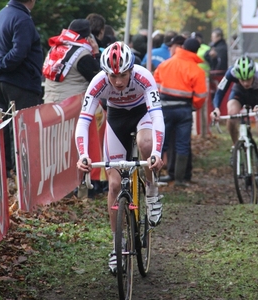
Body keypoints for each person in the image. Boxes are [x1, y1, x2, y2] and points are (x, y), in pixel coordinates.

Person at [75, 41, 165, 272]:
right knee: (114, 184)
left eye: (122, 75)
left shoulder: (144, 77)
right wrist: (83, 155)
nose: (117, 81)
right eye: (112, 76)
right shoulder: (97, 83)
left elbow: (157, 117)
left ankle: (153, 193)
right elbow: (83, 120)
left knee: (145, 143)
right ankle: (117, 246)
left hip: (142, 115)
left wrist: (156, 152)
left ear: (131, 70)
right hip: (116, 119)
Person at [0, 0, 43, 178]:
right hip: (21, 82)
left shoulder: (1, 15)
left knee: (6, 124)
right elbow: (19, 51)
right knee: (23, 127)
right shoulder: (22, 19)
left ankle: (7, 171)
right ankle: (23, 173)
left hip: (2, 82)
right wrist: (1, 65)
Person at [154, 38, 207, 187]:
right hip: (184, 110)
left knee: (161, 143)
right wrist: (193, 106)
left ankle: (153, 176)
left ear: (182, 47)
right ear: (196, 51)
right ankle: (179, 179)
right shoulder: (197, 70)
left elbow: (154, 85)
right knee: (182, 144)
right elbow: (201, 95)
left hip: (164, 109)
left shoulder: (165, 64)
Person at [43, 19, 101, 103]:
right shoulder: (82, 55)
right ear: (88, 37)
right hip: (71, 107)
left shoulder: (53, 49)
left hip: (49, 103)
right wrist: (96, 53)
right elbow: (98, 79)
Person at [210, 55, 257, 149]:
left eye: (248, 79)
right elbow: (220, 92)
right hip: (239, 93)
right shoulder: (231, 72)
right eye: (242, 80)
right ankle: (235, 145)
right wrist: (216, 109)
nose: (246, 83)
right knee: (232, 113)